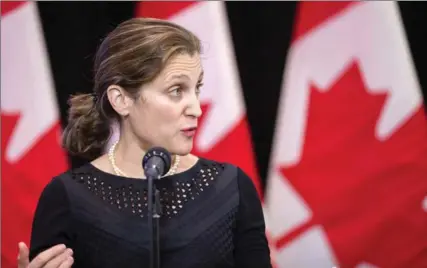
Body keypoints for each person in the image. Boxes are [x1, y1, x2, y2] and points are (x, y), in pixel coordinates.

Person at [17, 17, 271, 268]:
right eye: (176, 91)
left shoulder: (232, 188)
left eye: (197, 89)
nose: (196, 108)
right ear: (121, 100)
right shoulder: (66, 197)